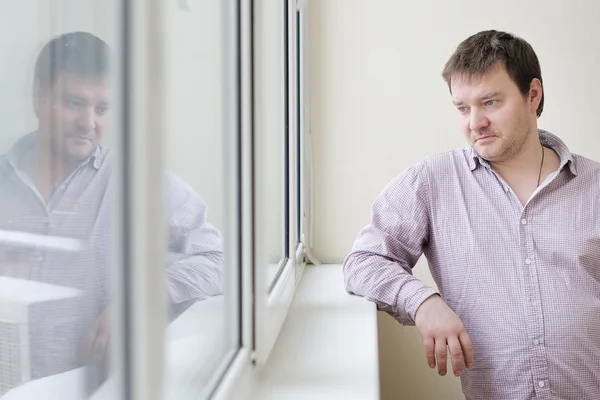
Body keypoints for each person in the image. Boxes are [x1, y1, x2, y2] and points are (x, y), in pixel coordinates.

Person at [343, 29, 600, 400]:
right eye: (463, 108)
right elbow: (364, 261)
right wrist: (422, 301)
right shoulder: (432, 182)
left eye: (490, 102)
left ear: (533, 95)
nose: (474, 122)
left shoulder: (593, 186)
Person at [0, 32, 224, 381]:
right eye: (74, 103)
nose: (89, 123)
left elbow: (217, 260)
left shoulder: (136, 180)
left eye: (102, 108)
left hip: (94, 389)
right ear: (39, 97)